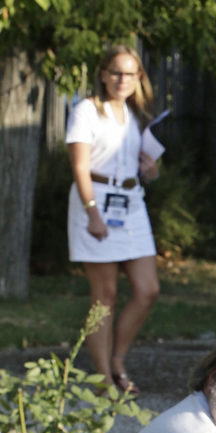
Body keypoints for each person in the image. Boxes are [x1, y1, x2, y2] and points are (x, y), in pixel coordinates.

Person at [66, 43, 161, 394]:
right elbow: (79, 166)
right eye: (116, 72)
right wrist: (93, 213)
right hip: (96, 201)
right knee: (104, 296)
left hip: (132, 202)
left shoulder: (136, 116)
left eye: (130, 73)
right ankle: (104, 378)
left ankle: (118, 359)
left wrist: (151, 172)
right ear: (103, 75)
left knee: (148, 289)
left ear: (139, 78)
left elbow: (144, 166)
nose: (123, 79)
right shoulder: (87, 111)